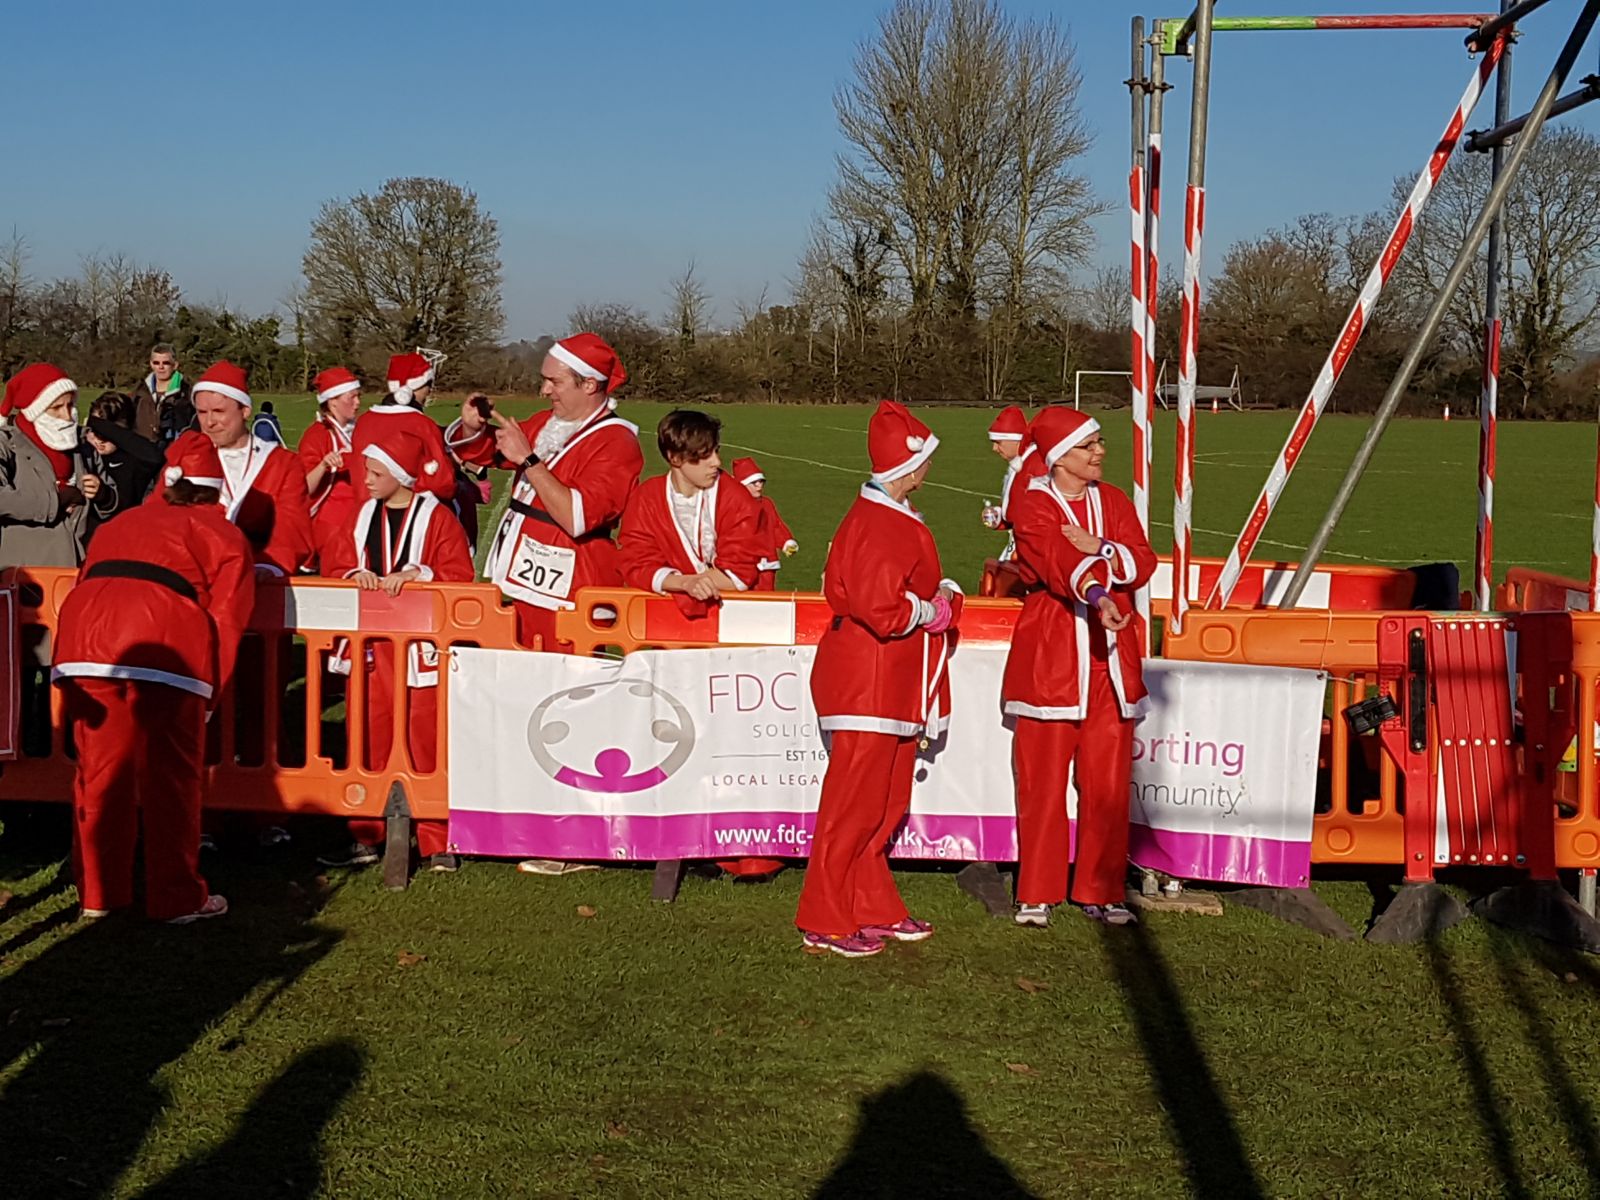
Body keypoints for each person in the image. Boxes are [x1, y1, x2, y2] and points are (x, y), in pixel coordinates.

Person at [51, 433, 255, 922]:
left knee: (100, 774)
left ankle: (99, 894)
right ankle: (176, 897)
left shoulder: (124, 521)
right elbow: (227, 619)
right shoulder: (225, 535)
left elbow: (89, 579)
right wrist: (210, 695)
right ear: (216, 492)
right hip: (166, 644)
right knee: (173, 778)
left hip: (86, 641)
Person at [796, 400, 962, 958]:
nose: (931, 469)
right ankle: (825, 914)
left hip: (893, 680)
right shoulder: (877, 521)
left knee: (885, 803)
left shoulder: (890, 516)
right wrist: (931, 609)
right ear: (909, 466)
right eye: (926, 459)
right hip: (869, 679)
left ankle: (870, 903)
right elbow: (878, 605)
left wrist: (928, 605)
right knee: (853, 804)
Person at [1002, 405, 1156, 929]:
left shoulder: (1112, 501)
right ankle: (1036, 891)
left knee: (1107, 783)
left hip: (1112, 663)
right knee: (1042, 782)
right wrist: (1097, 584)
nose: (1099, 453)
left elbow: (1142, 560)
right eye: (1088, 446)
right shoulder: (1033, 503)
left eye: (1098, 443)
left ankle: (1102, 887)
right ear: (1059, 457)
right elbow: (1054, 560)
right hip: (1053, 659)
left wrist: (1104, 549)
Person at [318, 426, 474, 873]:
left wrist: (417, 574)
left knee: (425, 740)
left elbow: (458, 574)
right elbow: (336, 560)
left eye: (374, 471)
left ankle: (435, 838)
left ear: (401, 475)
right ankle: (366, 834)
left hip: (419, 652)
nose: (365, 479)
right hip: (369, 649)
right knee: (366, 737)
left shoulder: (438, 517)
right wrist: (354, 575)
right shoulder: (361, 513)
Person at [448, 333, 643, 651]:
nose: (544, 391)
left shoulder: (617, 443)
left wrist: (528, 459)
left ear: (590, 385)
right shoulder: (548, 422)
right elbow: (487, 452)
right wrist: (473, 427)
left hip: (572, 593)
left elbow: (577, 516)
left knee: (563, 689)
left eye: (555, 381)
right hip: (523, 582)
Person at [160, 361, 315, 577]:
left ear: (245, 410)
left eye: (219, 411)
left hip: (255, 574)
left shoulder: (281, 463)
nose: (209, 422)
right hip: (191, 575)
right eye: (202, 412)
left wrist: (268, 566)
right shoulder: (186, 456)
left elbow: (291, 527)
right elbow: (159, 513)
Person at [619, 411, 765, 613]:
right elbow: (635, 562)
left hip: (734, 615)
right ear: (675, 458)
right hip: (665, 619)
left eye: (716, 451)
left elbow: (739, 573)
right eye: (704, 455)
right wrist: (685, 583)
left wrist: (681, 582)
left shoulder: (736, 498)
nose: (716, 462)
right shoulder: (646, 497)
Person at [0, 363, 94, 568]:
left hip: (79, 561)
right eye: (56, 408)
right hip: (27, 569)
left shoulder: (79, 443)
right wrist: (55, 501)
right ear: (36, 410)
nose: (67, 416)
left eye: (70, 405)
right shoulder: (7, 444)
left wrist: (103, 495)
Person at [351, 352, 458, 508]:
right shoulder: (421, 424)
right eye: (427, 385)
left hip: (365, 513)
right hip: (407, 514)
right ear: (416, 386)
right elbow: (442, 484)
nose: (428, 391)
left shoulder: (363, 420)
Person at [298, 366, 364, 558]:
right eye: (351, 397)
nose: (358, 403)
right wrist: (323, 466)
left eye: (358, 396)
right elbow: (304, 488)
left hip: (361, 516)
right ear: (332, 401)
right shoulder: (317, 435)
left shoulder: (360, 430)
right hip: (332, 525)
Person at [83, 390, 163, 533]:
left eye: (109, 432)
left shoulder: (134, 458)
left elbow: (155, 457)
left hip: (122, 533)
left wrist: (97, 424)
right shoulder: (83, 451)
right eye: (95, 431)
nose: (100, 439)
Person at [980, 405, 1042, 562]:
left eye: (998, 442)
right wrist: (998, 517)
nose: (994, 448)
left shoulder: (1036, 467)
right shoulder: (1021, 464)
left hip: (1032, 551)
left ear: (1015, 439)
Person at [730, 456, 798, 591]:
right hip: (742, 561)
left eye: (761, 482)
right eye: (754, 483)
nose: (759, 486)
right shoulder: (734, 505)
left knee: (766, 596)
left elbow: (776, 526)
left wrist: (786, 542)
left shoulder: (767, 504)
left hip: (766, 561)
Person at [132, 342, 194, 445]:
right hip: (142, 450)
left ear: (175, 365)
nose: (160, 367)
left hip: (174, 452)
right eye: (156, 363)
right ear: (151, 364)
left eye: (166, 363)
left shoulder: (187, 393)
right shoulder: (140, 391)